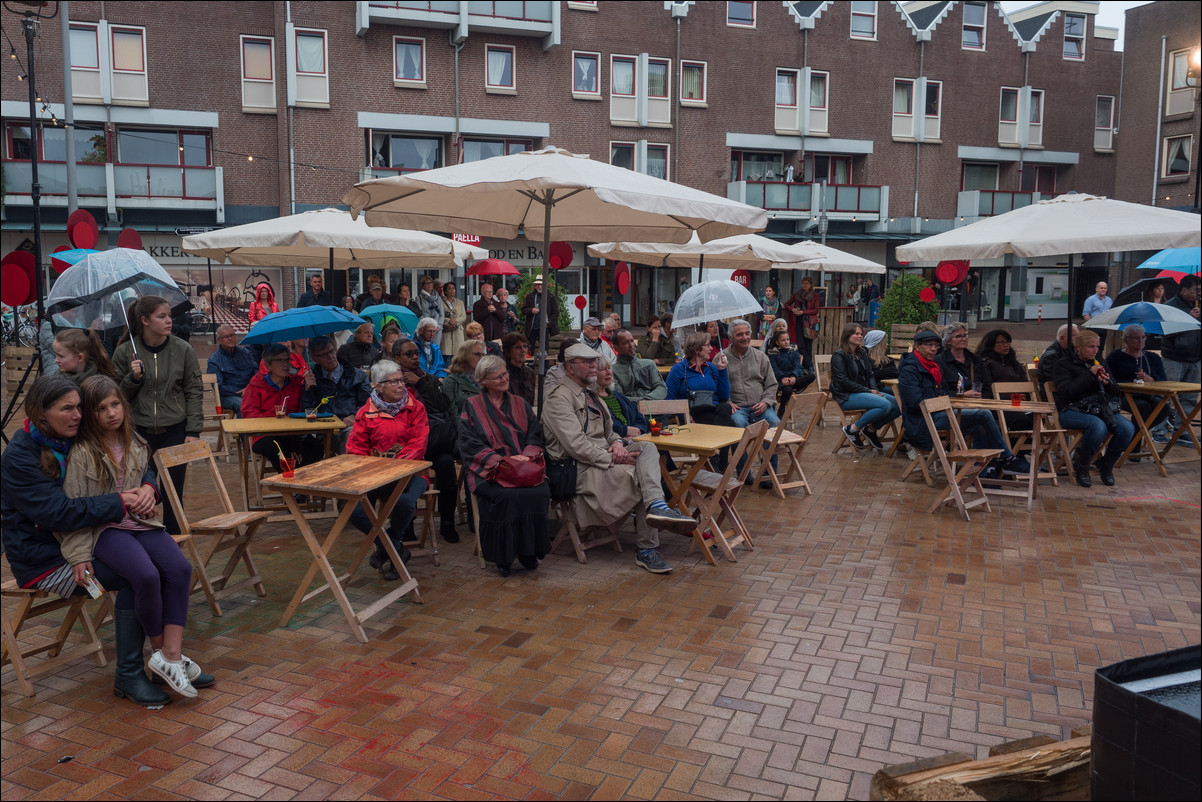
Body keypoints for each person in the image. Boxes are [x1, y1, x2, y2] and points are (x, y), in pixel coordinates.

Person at [1, 376, 175, 706]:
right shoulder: (19, 457)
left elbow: (131, 456)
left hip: (90, 541)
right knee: (136, 577)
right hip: (46, 561)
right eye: (66, 409)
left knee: (165, 566)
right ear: (41, 413)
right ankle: (129, 674)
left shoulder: (72, 434)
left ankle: (167, 661)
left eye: (79, 407)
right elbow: (58, 513)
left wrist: (149, 487)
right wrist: (122, 500)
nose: (77, 415)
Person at [59, 375, 206, 698]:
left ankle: (171, 655)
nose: (111, 413)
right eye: (100, 408)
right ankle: (163, 656)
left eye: (115, 404)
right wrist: (78, 555)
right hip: (107, 528)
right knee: (145, 575)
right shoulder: (83, 453)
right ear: (90, 414)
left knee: (181, 570)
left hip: (141, 523)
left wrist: (148, 494)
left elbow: (146, 481)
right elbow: (75, 508)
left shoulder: (136, 443)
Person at [543, 344, 697, 575]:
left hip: (603, 458)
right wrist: (612, 457)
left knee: (647, 447)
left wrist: (616, 443)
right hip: (579, 469)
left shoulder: (591, 394)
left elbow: (610, 432)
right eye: (587, 362)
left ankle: (657, 505)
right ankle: (647, 549)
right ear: (570, 368)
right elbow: (575, 446)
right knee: (640, 477)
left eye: (594, 361)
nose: (593, 365)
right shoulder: (559, 399)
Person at [112, 295, 204, 537]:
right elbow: (114, 398)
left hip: (175, 428)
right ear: (144, 320)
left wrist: (193, 431)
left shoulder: (182, 349)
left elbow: (194, 390)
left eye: (169, 316)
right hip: (139, 432)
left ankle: (175, 541)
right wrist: (133, 379)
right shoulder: (124, 353)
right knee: (143, 490)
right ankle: (145, 537)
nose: (169, 321)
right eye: (161, 316)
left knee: (174, 490)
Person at [458, 354, 551, 577]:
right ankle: (504, 556)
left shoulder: (521, 404)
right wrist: (500, 462)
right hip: (489, 471)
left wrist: (526, 457)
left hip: (523, 467)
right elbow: (468, 444)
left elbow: (535, 437)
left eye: (505, 374)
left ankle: (529, 551)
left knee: (541, 490)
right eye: (497, 376)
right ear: (483, 382)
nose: (504, 379)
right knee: (505, 496)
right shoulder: (471, 406)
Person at [898, 330, 1029, 480]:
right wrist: (942, 398)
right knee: (984, 413)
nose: (933, 349)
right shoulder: (910, 370)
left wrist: (945, 397)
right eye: (929, 345)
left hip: (940, 413)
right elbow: (916, 403)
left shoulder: (933, 366)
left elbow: (944, 392)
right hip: (923, 420)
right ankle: (1008, 459)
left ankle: (982, 472)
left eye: (935, 345)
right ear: (917, 347)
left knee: (980, 426)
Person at [346, 360, 430, 581]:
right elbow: (355, 449)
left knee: (403, 501)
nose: (401, 385)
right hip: (375, 476)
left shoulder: (415, 408)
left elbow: (418, 444)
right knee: (353, 509)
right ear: (378, 386)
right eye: (393, 381)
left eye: (401, 379)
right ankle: (396, 550)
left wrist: (395, 467)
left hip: (412, 473)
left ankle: (387, 550)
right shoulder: (366, 413)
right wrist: (375, 469)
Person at [393, 338, 460, 544]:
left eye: (416, 353)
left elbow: (441, 406)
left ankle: (448, 522)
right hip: (405, 441)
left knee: (446, 463)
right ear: (397, 358)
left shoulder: (428, 378)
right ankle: (407, 524)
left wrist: (420, 383)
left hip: (432, 439)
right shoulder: (391, 382)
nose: (415, 357)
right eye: (409, 354)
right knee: (406, 468)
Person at [1050, 330, 1135, 487]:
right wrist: (1089, 376)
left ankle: (1106, 464)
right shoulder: (1063, 364)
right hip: (1071, 410)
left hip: (1099, 408)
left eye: (1097, 346)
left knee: (1127, 428)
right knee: (1098, 427)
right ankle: (1082, 466)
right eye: (1090, 347)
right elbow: (1067, 392)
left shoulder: (1099, 361)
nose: (1095, 351)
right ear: (1078, 347)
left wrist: (1108, 383)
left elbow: (1116, 391)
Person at [241, 343, 324, 472]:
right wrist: (274, 422)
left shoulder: (296, 383)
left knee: (316, 447)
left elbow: (305, 411)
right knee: (278, 450)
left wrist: (307, 390)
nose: (285, 364)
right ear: (268, 365)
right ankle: (292, 486)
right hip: (265, 434)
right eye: (279, 360)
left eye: (287, 360)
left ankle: (300, 481)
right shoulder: (256, 386)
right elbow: (249, 414)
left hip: (292, 433)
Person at [830, 322, 900, 452]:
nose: (860, 336)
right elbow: (843, 381)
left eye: (861, 334)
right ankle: (852, 429)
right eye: (856, 333)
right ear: (847, 335)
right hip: (846, 395)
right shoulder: (839, 355)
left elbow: (870, 375)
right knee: (885, 405)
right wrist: (868, 390)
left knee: (898, 404)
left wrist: (874, 390)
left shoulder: (862, 353)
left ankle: (871, 429)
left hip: (864, 392)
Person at [303, 335, 371, 452]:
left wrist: (354, 415)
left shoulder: (357, 375)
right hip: (326, 428)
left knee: (350, 435)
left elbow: (367, 403)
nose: (330, 357)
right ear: (315, 359)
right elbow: (308, 410)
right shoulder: (313, 379)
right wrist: (307, 389)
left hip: (352, 424)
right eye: (324, 355)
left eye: (331, 351)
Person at [1105, 325, 1170, 441]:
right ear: (1126, 340)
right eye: (1136, 338)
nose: (1140, 341)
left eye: (1143, 337)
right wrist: (1132, 382)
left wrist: (1152, 379)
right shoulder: (1115, 357)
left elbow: (1163, 380)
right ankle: (1134, 444)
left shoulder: (1152, 357)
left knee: (1163, 407)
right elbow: (1109, 380)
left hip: (1149, 394)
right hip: (1124, 395)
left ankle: (1132, 438)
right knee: (1142, 407)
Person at [666, 331, 733, 427]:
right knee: (731, 428)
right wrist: (684, 415)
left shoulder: (711, 368)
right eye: (707, 345)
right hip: (693, 412)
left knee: (725, 407)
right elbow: (669, 399)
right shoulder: (679, 369)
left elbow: (724, 396)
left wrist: (722, 370)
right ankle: (719, 436)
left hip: (714, 410)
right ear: (697, 349)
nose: (711, 348)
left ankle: (717, 436)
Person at [1162, 275, 1200, 423]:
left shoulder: (1199, 306)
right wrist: (1187, 318)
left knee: (1190, 398)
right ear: (1184, 289)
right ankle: (1160, 428)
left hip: (1196, 359)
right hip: (1174, 359)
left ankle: (1182, 430)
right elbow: (1166, 331)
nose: (1199, 294)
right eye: (1196, 290)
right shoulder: (1170, 307)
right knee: (1167, 395)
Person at [206, 324, 258, 414]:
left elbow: (256, 373)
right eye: (226, 337)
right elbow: (219, 387)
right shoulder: (214, 360)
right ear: (219, 340)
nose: (230, 339)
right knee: (242, 405)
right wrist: (240, 393)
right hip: (228, 396)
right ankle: (244, 428)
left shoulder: (246, 353)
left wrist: (248, 388)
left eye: (232, 335)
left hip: (250, 390)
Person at [594, 360, 651, 437]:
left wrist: (636, 430)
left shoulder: (618, 396)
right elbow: (597, 428)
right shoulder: (591, 400)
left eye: (609, 368)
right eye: (602, 369)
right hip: (610, 444)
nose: (608, 372)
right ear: (592, 374)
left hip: (633, 439)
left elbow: (639, 417)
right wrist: (624, 431)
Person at [612, 329, 667, 402]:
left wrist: (647, 400)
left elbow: (661, 388)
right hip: (628, 410)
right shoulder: (612, 370)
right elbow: (619, 397)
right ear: (616, 348)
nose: (631, 345)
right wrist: (642, 402)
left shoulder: (649, 364)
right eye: (625, 343)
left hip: (652, 406)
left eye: (632, 341)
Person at [766, 327, 811, 410]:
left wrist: (793, 376)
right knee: (788, 389)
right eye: (783, 340)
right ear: (777, 342)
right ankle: (782, 408)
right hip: (780, 380)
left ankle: (793, 383)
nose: (786, 342)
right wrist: (783, 378)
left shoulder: (794, 351)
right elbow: (774, 369)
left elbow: (798, 366)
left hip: (793, 378)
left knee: (812, 376)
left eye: (787, 339)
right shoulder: (773, 353)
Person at [937, 322, 984, 397]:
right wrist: (962, 395)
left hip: (975, 403)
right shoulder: (940, 361)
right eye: (958, 336)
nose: (963, 339)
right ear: (948, 341)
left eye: (964, 336)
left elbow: (986, 386)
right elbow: (940, 391)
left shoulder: (975, 360)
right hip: (952, 405)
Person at [976, 329, 1026, 398]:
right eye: (1002, 342)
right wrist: (1011, 396)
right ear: (991, 344)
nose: (1006, 345)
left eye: (1008, 342)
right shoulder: (986, 363)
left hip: (1019, 400)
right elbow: (988, 389)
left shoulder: (1012, 362)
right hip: (998, 401)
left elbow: (1024, 382)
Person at [443, 339, 486, 416]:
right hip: (465, 425)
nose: (481, 358)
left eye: (483, 355)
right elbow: (451, 415)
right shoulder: (450, 383)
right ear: (464, 356)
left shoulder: (487, 379)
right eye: (477, 354)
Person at [784, 275, 821, 360]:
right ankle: (809, 365)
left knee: (808, 344)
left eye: (806, 283)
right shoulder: (797, 294)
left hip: (809, 322)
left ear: (811, 284)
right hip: (799, 321)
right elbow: (787, 304)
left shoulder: (815, 296)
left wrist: (803, 312)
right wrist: (792, 309)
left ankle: (807, 366)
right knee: (800, 345)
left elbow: (816, 310)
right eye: (803, 283)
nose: (804, 285)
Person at [522, 275, 560, 348]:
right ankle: (532, 359)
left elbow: (556, 313)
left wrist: (549, 323)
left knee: (544, 349)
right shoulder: (530, 296)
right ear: (535, 285)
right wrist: (531, 310)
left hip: (544, 327)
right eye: (537, 285)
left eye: (541, 285)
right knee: (530, 348)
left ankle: (545, 360)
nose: (539, 287)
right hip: (532, 327)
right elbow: (524, 310)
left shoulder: (551, 297)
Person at [502, 331, 537, 405]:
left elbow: (530, 403)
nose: (523, 350)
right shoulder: (502, 373)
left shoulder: (530, 373)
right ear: (508, 351)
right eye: (518, 347)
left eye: (525, 346)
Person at [440, 281, 468, 357]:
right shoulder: (441, 302)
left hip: (458, 331)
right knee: (447, 357)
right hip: (446, 331)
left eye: (453, 288)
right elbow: (440, 315)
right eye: (449, 289)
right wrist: (449, 321)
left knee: (458, 357)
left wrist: (456, 321)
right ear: (445, 291)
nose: (452, 290)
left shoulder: (460, 302)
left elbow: (463, 316)